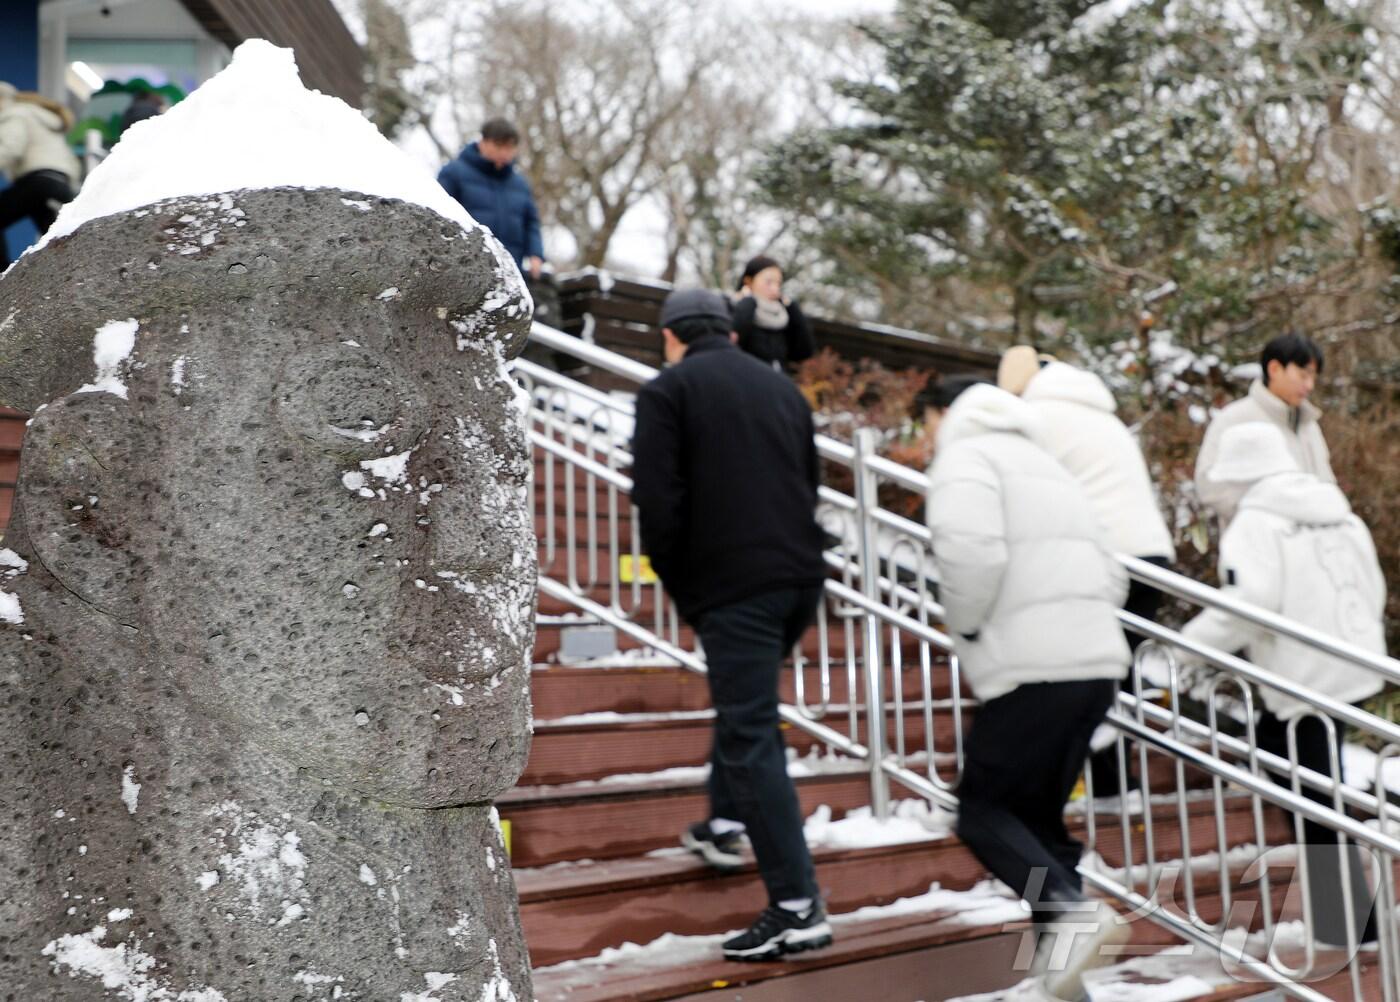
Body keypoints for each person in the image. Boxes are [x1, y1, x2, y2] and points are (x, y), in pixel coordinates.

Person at [631, 288, 831, 962]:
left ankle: (797, 906)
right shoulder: (783, 392)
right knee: (748, 713)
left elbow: (657, 504)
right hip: (798, 578)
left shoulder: (667, 391)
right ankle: (722, 818)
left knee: (751, 734)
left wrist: (685, 585)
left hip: (735, 587)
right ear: (732, 332)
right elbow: (809, 484)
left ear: (671, 336)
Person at [923, 377, 1131, 1001]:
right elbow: (1113, 570)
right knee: (1036, 824)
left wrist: (967, 627)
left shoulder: (966, 457)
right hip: (1093, 665)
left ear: (944, 413)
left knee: (982, 810)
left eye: (925, 422)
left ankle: (1069, 910)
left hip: (1032, 667)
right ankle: (1064, 984)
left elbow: (970, 556)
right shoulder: (1049, 465)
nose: (927, 436)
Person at [1182, 422, 1386, 949]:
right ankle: (1347, 920)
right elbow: (1374, 586)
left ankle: (1347, 925)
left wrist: (1183, 646)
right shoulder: (1336, 511)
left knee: (1308, 790)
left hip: (1301, 678)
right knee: (1311, 780)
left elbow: (1247, 604)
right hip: (1353, 665)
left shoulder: (1256, 523)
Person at [999, 346, 1175, 793]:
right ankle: (1113, 779)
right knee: (1118, 668)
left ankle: (1065, 776)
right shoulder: (1099, 413)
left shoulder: (1037, 416)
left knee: (1078, 670)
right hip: (1150, 553)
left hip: (1103, 556)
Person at [1195, 332, 1333, 528]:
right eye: (1303, 375)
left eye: (1313, 377)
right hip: (1257, 543)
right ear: (1274, 369)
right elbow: (1210, 485)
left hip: (1312, 543)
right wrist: (1265, 520)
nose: (1309, 385)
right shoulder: (1235, 419)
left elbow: (1327, 484)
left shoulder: (1309, 425)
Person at [437, 117, 544, 280]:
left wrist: (535, 254)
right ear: (483, 142)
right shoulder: (453, 174)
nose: (504, 153)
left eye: (510, 147)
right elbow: (439, 218)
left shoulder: (520, 184)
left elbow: (531, 223)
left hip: (512, 272)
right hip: (465, 273)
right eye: (499, 146)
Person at [0, 82, 80, 270]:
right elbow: (70, 160)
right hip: (59, 182)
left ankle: (2, 276)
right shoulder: (38, 115)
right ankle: (71, 271)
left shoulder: (15, 114)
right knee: (56, 235)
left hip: (36, 182)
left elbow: (10, 148)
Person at [730, 255, 815, 371]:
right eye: (768, 282)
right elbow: (733, 343)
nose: (775, 289)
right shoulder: (732, 308)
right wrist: (748, 303)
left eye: (778, 284)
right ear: (748, 281)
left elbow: (804, 352)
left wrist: (792, 308)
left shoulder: (783, 316)